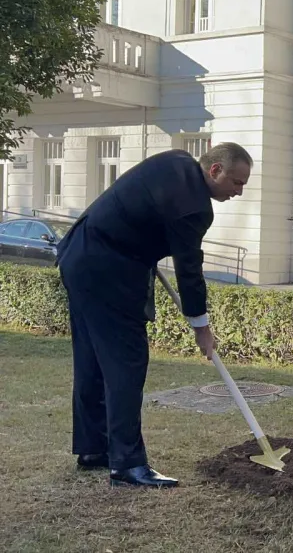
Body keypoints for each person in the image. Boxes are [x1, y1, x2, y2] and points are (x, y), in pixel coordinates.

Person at [57, 143, 253, 488]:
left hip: (80, 255)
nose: (239, 191)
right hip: (108, 271)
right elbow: (189, 271)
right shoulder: (193, 206)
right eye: (237, 182)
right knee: (126, 364)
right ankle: (128, 464)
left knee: (91, 360)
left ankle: (93, 449)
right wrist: (201, 327)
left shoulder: (175, 160)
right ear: (215, 171)